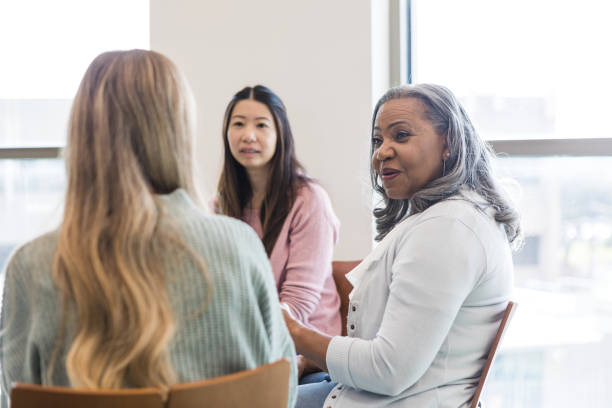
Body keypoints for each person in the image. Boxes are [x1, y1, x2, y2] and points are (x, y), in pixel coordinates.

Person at [0, 50, 296, 407]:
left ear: (82, 137)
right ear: (177, 134)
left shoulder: (30, 269)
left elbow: (10, 399)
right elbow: (283, 391)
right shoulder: (240, 246)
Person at [284, 83, 522, 408]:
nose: (382, 152)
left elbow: (387, 370)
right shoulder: (457, 217)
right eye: (378, 140)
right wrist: (313, 356)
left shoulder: (447, 229)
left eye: (401, 136)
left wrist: (294, 332)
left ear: (448, 143)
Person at [216, 85, 341, 339]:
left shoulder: (309, 200)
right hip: (247, 344)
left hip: (308, 352)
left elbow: (298, 306)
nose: (248, 135)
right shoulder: (219, 206)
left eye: (261, 125)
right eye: (238, 124)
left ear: (280, 134)